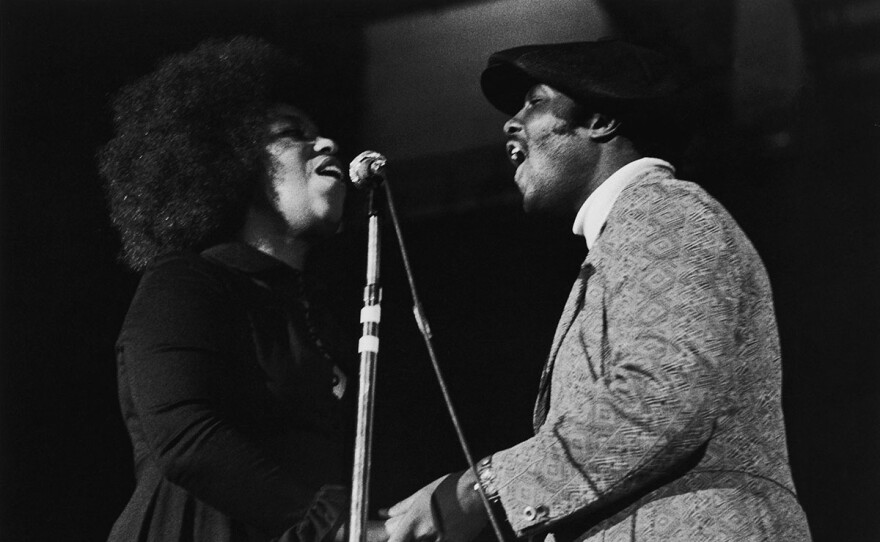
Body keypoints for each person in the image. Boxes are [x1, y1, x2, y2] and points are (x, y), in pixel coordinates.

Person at [383, 39, 812, 542]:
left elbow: (660, 392)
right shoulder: (621, 236)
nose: (511, 122)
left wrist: (481, 491)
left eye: (536, 101)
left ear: (601, 121)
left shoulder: (661, 209)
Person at [99, 36, 385, 542]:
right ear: (230, 162)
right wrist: (331, 526)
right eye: (290, 134)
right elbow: (186, 436)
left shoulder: (311, 313)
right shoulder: (185, 281)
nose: (327, 144)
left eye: (320, 133)